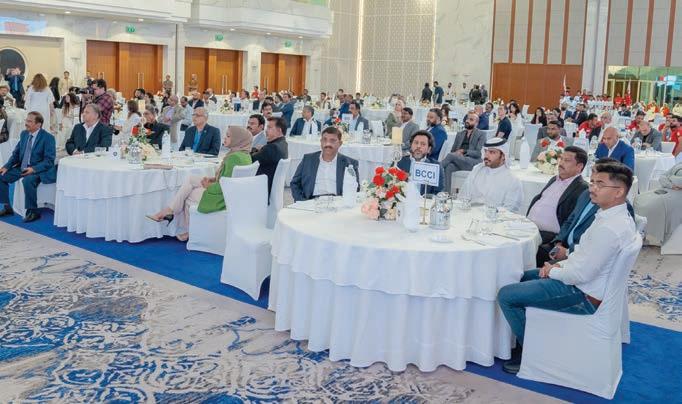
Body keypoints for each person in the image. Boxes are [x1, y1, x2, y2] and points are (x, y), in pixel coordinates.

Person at [498, 161, 636, 374]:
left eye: (600, 184)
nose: (592, 188)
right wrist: (559, 263)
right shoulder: (613, 216)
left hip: (583, 295)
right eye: (592, 182)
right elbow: (584, 254)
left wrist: (553, 270)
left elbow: (581, 274)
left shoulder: (610, 228)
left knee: (506, 295)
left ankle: (535, 355)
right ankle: (532, 335)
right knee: (523, 276)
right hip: (583, 282)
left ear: (618, 192)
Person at [147, 126, 253, 241]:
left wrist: (209, 186)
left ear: (238, 139)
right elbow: (229, 177)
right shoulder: (244, 155)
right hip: (232, 194)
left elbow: (227, 185)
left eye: (228, 136)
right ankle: (169, 211)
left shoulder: (234, 158)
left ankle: (187, 230)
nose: (224, 138)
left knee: (189, 196)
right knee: (190, 179)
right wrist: (213, 179)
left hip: (222, 197)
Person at [527, 146, 588, 248]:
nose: (561, 163)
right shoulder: (554, 179)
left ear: (579, 166)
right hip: (530, 229)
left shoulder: (582, 188)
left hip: (549, 237)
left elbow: (573, 220)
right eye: (561, 159)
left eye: (567, 160)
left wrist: (558, 241)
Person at [0, 111, 57, 222]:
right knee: (1, 176)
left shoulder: (48, 138)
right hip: (22, 167)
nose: (26, 123)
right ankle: (7, 208)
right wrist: (6, 166)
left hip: (38, 170)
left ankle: (33, 212)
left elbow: (49, 161)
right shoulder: (24, 134)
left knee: (27, 181)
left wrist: (33, 169)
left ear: (38, 124)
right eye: (26, 120)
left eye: (30, 121)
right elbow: (16, 154)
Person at [290, 126, 360, 201]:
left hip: (338, 202)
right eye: (324, 140)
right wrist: (302, 201)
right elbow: (295, 183)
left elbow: (355, 188)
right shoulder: (308, 160)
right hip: (311, 202)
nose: (327, 144)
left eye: (332, 140)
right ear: (321, 142)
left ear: (340, 143)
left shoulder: (349, 163)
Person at [460, 137, 523, 212]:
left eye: (492, 152)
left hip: (494, 218)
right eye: (485, 151)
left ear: (503, 156)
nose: (486, 156)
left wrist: (487, 212)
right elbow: (463, 196)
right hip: (469, 214)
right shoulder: (477, 170)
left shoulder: (513, 180)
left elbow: (510, 210)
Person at [634, 163, 682, 245]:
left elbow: (679, 182)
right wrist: (671, 184)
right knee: (640, 198)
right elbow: (662, 177)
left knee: (654, 204)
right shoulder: (679, 164)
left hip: (678, 195)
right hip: (669, 188)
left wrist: (670, 178)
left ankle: (650, 233)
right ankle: (641, 231)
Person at [441, 112, 487, 192]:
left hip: (473, 161)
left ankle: (436, 168)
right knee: (449, 167)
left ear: (476, 123)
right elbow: (453, 151)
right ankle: (446, 194)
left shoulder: (481, 134)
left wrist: (464, 151)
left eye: (471, 119)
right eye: (467, 119)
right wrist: (457, 154)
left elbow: (478, 153)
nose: (467, 121)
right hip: (459, 160)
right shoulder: (460, 134)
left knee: (450, 156)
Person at [252, 117, 289, 196]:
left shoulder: (272, 148)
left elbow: (250, 160)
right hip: (269, 186)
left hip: (260, 188)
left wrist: (253, 150)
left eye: (269, 127)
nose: (266, 130)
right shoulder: (283, 144)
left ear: (279, 130)